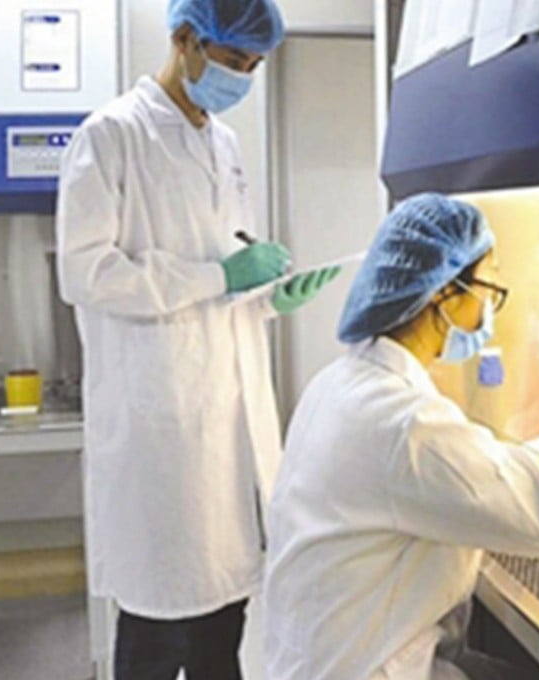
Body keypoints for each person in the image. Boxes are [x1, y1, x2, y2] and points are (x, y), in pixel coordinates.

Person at [263, 193, 539, 680]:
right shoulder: (405, 424)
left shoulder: (343, 383)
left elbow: (470, 473)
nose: (490, 308)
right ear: (443, 292)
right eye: (488, 287)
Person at [55, 1, 340, 677]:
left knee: (225, 615)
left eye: (254, 65)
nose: (244, 77)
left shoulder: (224, 144)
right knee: (159, 623)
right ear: (185, 39)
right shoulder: (111, 135)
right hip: (161, 425)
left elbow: (223, 274)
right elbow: (87, 273)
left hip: (226, 417)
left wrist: (268, 297)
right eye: (235, 60)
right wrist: (221, 276)